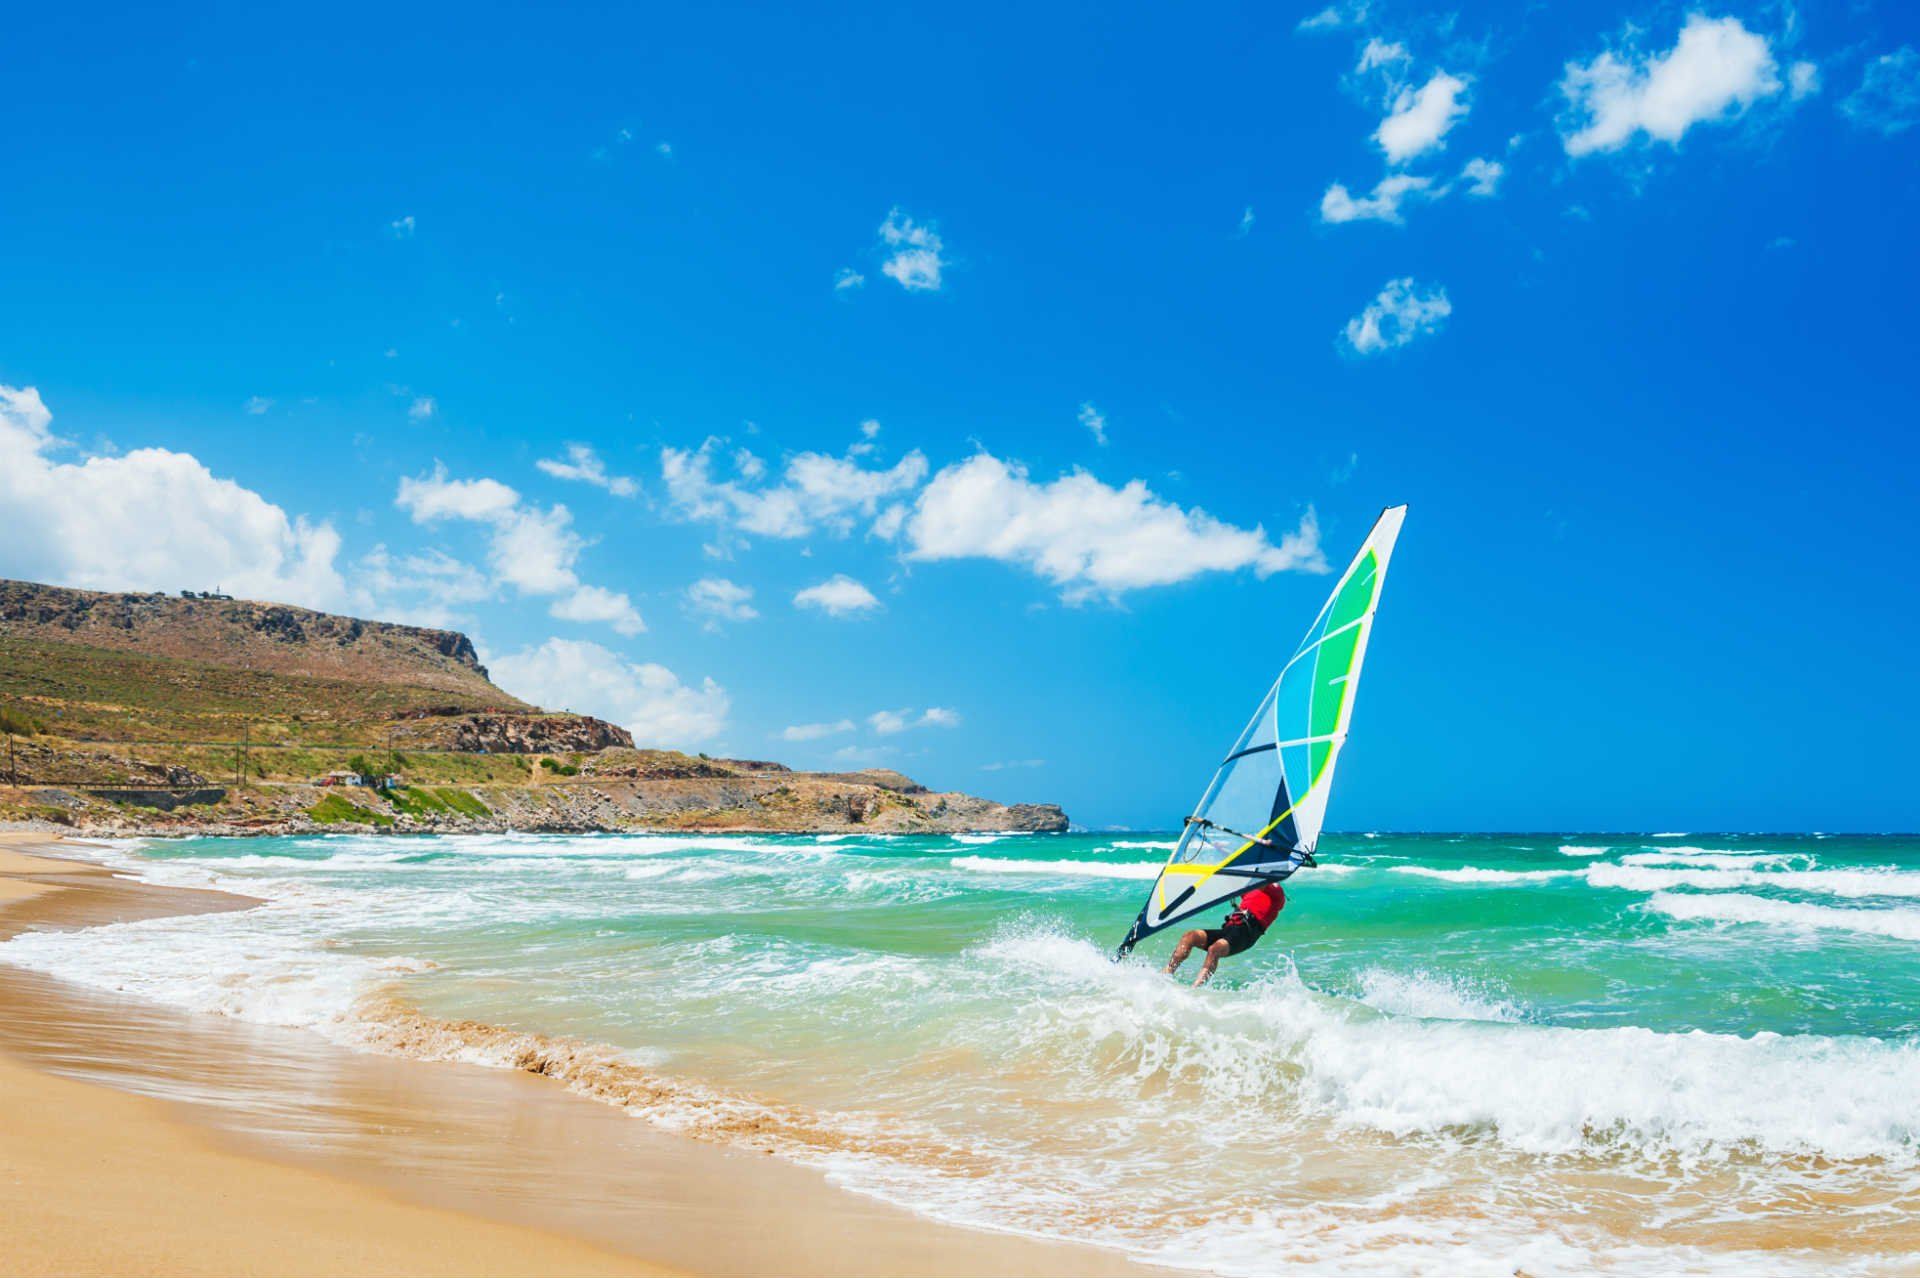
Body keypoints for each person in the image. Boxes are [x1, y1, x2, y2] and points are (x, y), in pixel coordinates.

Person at [1164, 880, 1285, 986]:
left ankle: (1196, 988)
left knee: (1214, 949)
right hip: (1230, 928)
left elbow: (1261, 884)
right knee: (1190, 936)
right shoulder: (1251, 890)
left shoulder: (1276, 891)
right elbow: (1233, 883)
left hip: (1246, 934)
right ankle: (1166, 975)